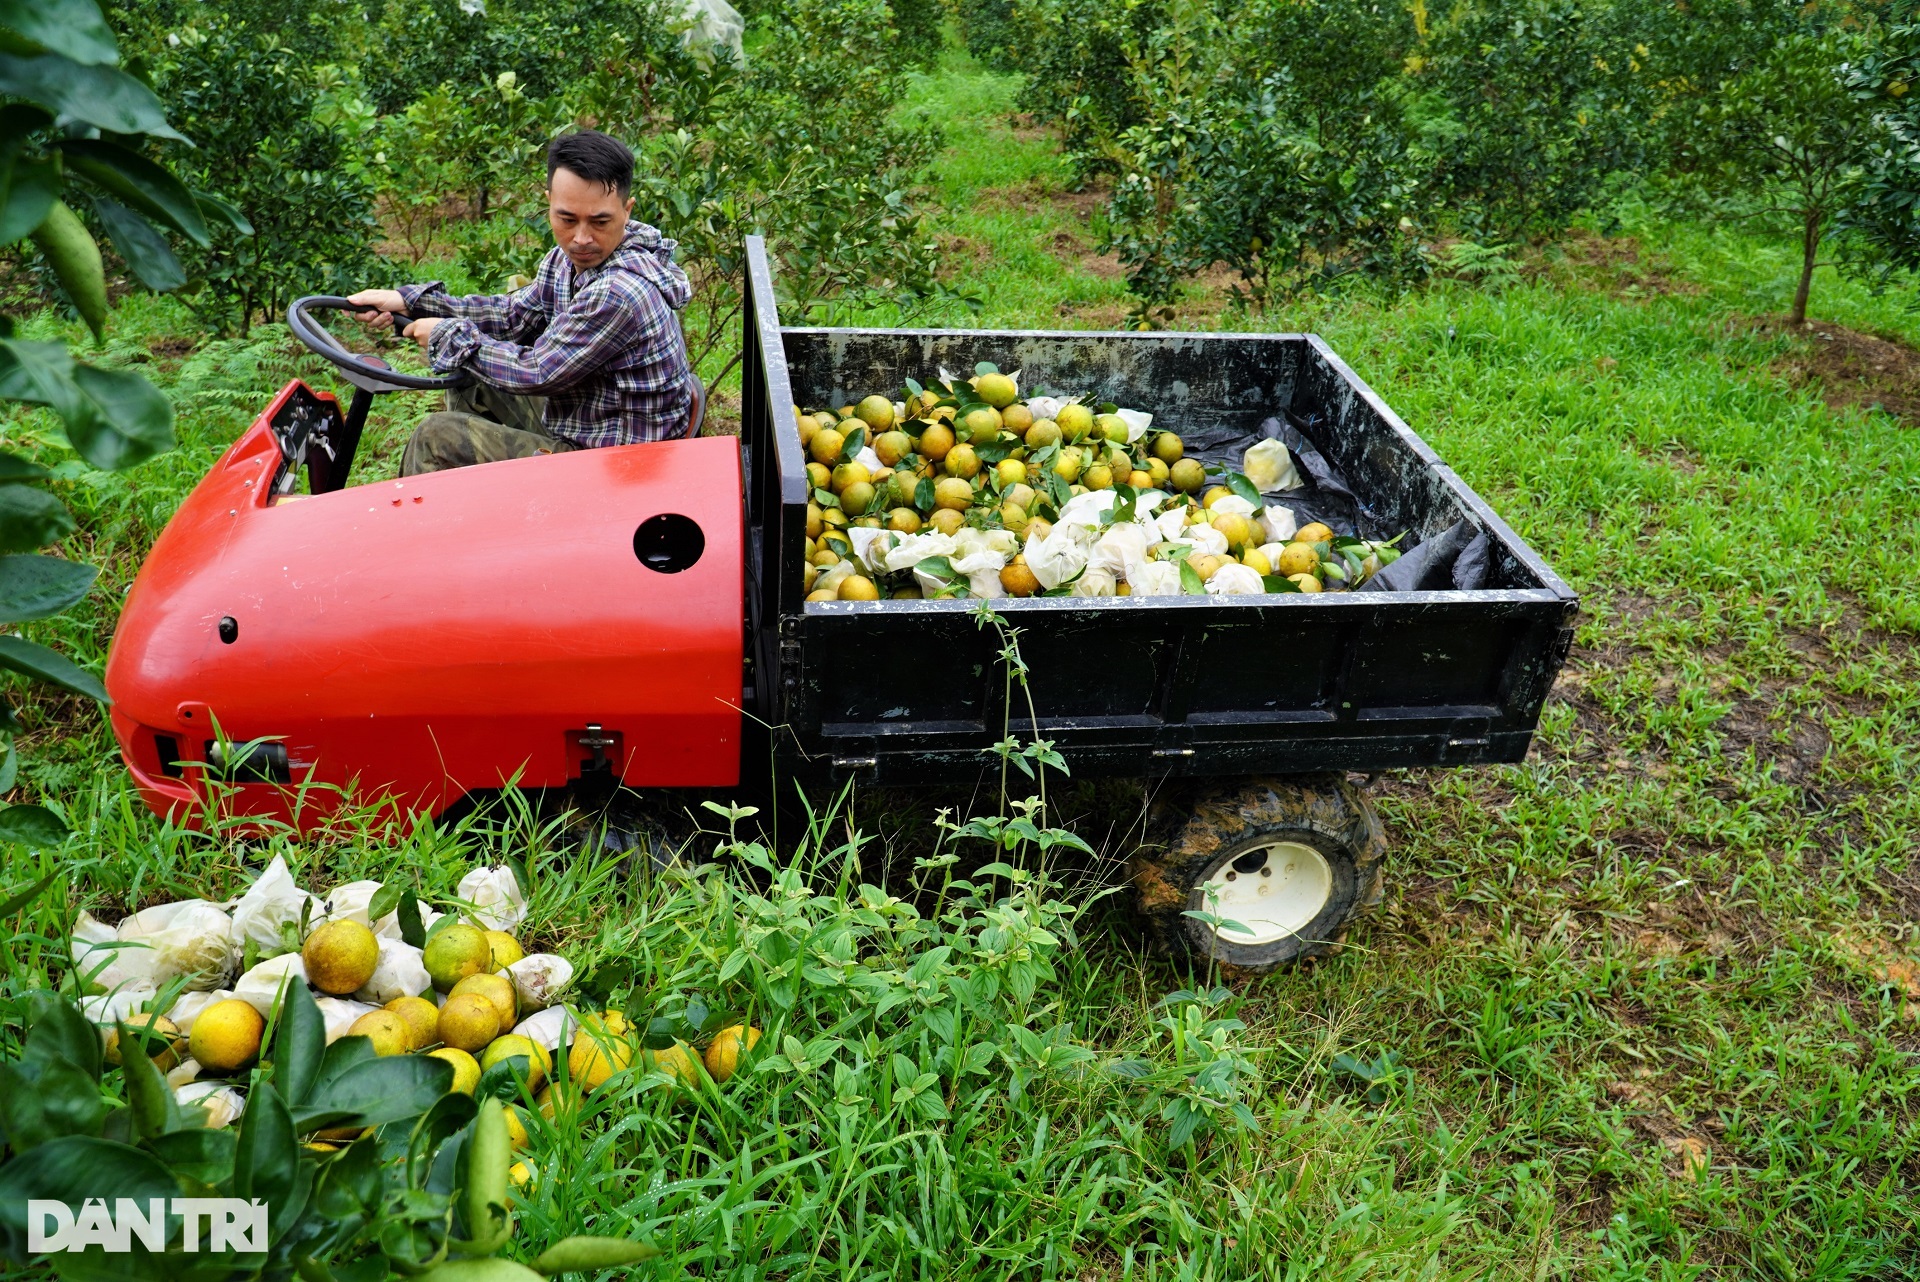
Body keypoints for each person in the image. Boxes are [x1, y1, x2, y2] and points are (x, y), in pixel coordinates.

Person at [348, 130, 697, 476]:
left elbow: (537, 372)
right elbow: (511, 316)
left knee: (436, 439)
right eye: (567, 219)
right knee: (475, 379)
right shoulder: (569, 261)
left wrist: (446, 335)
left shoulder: (619, 292)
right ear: (549, 203)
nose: (581, 238)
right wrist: (412, 303)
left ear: (626, 209)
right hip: (590, 418)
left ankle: (434, 527)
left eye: (599, 221)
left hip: (616, 463)